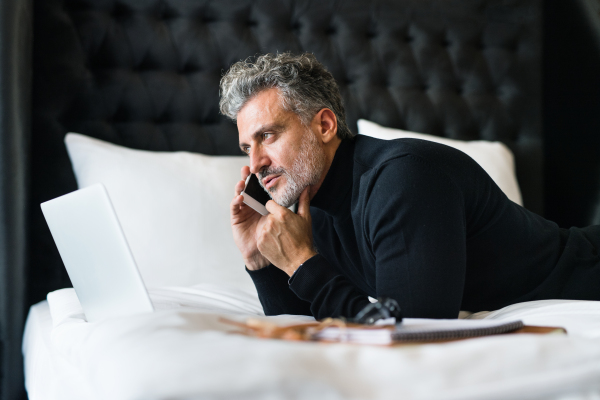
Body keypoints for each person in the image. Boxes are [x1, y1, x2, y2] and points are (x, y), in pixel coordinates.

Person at [220, 52, 600, 320]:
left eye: (268, 135)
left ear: (324, 125)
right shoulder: (309, 209)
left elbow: (409, 336)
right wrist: (261, 262)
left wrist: (304, 263)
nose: (255, 164)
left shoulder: (403, 179)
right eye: (246, 148)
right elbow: (305, 330)